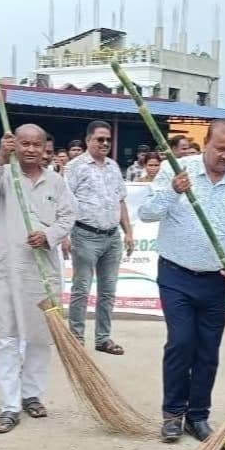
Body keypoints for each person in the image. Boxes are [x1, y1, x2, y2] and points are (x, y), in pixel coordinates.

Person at [139, 119, 225, 443]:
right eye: (220, 149)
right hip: (176, 275)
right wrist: (172, 192)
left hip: (216, 283)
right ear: (205, 143)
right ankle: (172, 414)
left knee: (208, 350)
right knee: (181, 342)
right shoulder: (177, 171)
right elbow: (147, 213)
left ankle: (198, 415)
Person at [0, 125, 75, 434]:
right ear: (14, 144)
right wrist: (0, 159)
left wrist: (49, 235)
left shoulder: (56, 182)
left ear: (45, 147)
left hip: (41, 272)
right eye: (24, 143)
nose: (30, 149)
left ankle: (31, 394)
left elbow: (69, 216)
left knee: (40, 336)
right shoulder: (4, 175)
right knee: (5, 338)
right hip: (7, 270)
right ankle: (8, 406)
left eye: (36, 144)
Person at [65, 120, 134, 355]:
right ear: (88, 141)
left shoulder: (114, 166)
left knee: (108, 290)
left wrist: (129, 232)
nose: (104, 143)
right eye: (99, 139)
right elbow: (65, 203)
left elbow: (120, 200)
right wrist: (64, 234)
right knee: (81, 289)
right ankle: (75, 339)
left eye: (107, 139)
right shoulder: (75, 167)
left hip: (112, 237)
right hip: (85, 235)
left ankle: (103, 338)